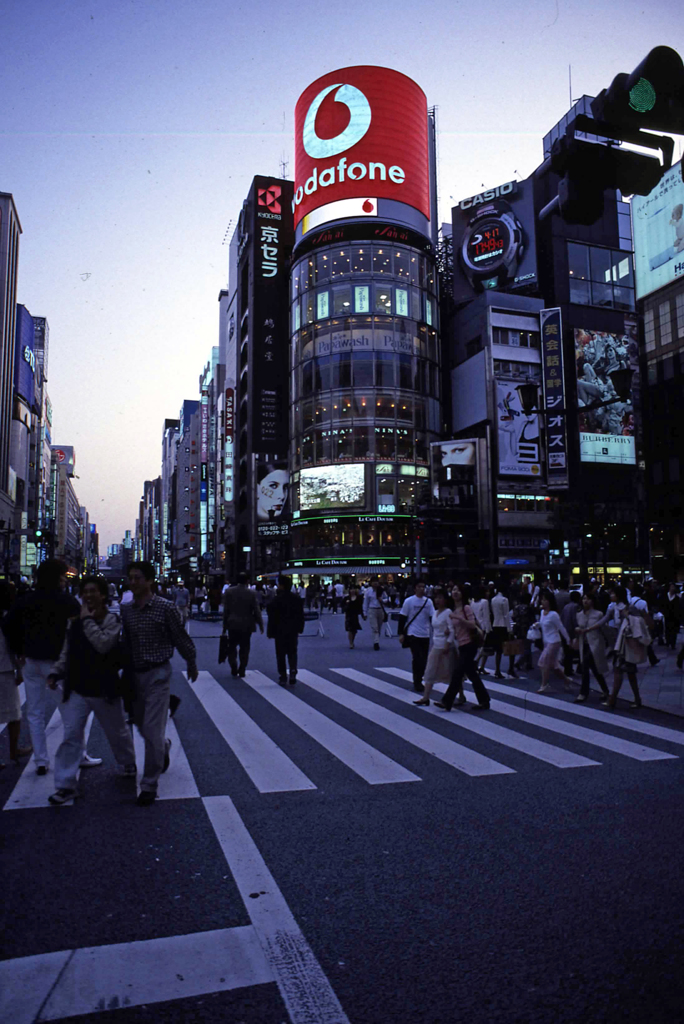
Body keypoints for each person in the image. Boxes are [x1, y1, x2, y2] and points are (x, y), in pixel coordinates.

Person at [45, 577, 137, 805]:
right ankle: (65, 785)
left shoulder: (111, 620)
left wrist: (86, 622)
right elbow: (67, 651)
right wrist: (56, 672)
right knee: (71, 735)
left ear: (103, 595)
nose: (88, 595)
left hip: (104, 687)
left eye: (93, 591)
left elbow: (104, 644)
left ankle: (128, 762)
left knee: (117, 732)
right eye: (84, 591)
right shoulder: (74, 622)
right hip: (77, 686)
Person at [121, 561, 198, 806]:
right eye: (130, 578)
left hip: (158, 674)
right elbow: (126, 643)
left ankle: (149, 785)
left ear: (150, 581)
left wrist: (191, 661)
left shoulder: (165, 608)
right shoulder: (127, 610)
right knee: (143, 727)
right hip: (135, 674)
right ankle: (163, 747)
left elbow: (179, 637)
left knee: (152, 729)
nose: (133, 582)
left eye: (138, 578)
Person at [2, 559, 81, 775]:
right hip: (57, 663)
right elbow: (79, 630)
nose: (66, 579)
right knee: (71, 712)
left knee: (35, 713)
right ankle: (78, 755)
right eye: (63, 575)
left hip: (30, 662)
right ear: (57, 577)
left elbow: (8, 626)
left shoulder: (25, 600)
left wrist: (20, 650)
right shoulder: (67, 602)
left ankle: (41, 760)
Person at [435, 583, 490, 712]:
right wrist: (450, 630)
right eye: (454, 590)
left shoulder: (466, 608)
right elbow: (456, 628)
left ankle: (447, 701)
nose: (455, 592)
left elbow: (471, 625)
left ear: (463, 594)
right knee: (472, 674)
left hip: (470, 644)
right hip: (461, 644)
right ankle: (484, 700)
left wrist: (458, 618)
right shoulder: (454, 610)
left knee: (458, 672)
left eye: (458, 590)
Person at [0, 582, 31, 768]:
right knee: (14, 714)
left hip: (4, 667)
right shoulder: (8, 618)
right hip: (3, 669)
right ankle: (13, 750)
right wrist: (19, 670)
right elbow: (14, 647)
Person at [605, 601, 651, 709]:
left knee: (620, 672)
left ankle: (613, 699)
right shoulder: (630, 619)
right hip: (627, 651)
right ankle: (635, 699)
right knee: (630, 675)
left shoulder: (632, 620)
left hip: (627, 651)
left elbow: (637, 634)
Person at [413, 588, 454, 707]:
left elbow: (451, 630)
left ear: (446, 600)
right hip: (436, 644)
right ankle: (426, 697)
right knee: (430, 671)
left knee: (450, 672)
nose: (438, 600)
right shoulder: (435, 613)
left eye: (440, 598)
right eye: (436, 598)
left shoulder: (448, 612)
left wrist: (448, 644)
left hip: (446, 646)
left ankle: (460, 694)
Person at [222, 572, 264, 677]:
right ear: (247, 581)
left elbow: (226, 610)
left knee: (232, 646)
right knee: (245, 647)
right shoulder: (251, 593)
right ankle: (242, 668)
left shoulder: (229, 592)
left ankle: (233, 665)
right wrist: (260, 624)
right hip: (247, 623)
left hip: (232, 623)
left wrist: (224, 626)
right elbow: (256, 610)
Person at [267, 575, 305, 684]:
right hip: (293, 630)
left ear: (282, 586)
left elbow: (272, 617)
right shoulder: (296, 599)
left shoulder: (276, 600)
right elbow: (300, 615)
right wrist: (300, 628)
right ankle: (293, 671)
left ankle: (283, 675)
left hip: (279, 630)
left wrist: (270, 631)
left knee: (280, 653)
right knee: (292, 651)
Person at [398, 580, 434, 694]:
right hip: (413, 633)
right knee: (417, 657)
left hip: (425, 633)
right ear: (415, 588)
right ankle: (417, 681)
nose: (422, 589)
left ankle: (419, 677)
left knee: (424, 658)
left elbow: (432, 617)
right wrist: (401, 633)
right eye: (419, 586)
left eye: (423, 587)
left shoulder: (428, 602)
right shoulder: (409, 601)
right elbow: (403, 617)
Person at [575, 591, 610, 703]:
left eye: (588, 599)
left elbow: (604, 629)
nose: (585, 601)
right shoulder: (579, 614)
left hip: (595, 643)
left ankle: (583, 692)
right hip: (584, 643)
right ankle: (605, 690)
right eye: (584, 598)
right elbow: (577, 627)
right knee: (595, 669)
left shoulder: (598, 614)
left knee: (585, 665)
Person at [536, 591, 574, 695]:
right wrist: (537, 625)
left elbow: (561, 628)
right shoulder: (542, 613)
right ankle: (566, 680)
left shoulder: (554, 614)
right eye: (542, 599)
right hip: (547, 642)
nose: (542, 602)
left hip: (554, 641)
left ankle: (544, 685)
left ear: (550, 601)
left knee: (542, 662)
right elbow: (543, 624)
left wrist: (568, 640)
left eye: (545, 600)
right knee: (553, 666)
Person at [489, 584, 512, 679]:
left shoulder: (493, 600)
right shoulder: (505, 600)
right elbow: (506, 615)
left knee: (498, 650)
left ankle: (497, 669)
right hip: (503, 625)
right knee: (507, 647)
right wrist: (509, 629)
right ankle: (510, 668)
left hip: (495, 624)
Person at [471, 585, 492, 676]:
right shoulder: (485, 602)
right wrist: (488, 629)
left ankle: (481, 666)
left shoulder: (472, 602)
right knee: (484, 648)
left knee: (479, 648)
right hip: (483, 627)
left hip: (475, 626)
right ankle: (477, 663)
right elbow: (486, 617)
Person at [363, 580, 387, 651]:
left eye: (376, 582)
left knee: (379, 626)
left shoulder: (382, 590)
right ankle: (376, 642)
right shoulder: (368, 591)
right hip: (372, 609)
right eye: (374, 582)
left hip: (380, 609)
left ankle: (376, 639)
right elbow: (366, 602)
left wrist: (382, 600)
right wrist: (364, 612)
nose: (375, 583)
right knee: (374, 627)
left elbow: (387, 599)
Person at [662, 583, 682, 650]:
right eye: (671, 587)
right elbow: (662, 605)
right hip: (666, 616)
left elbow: (679, 608)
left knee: (674, 631)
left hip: (674, 617)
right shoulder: (664, 596)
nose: (673, 588)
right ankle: (668, 642)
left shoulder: (677, 598)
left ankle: (673, 644)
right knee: (667, 630)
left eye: (674, 587)